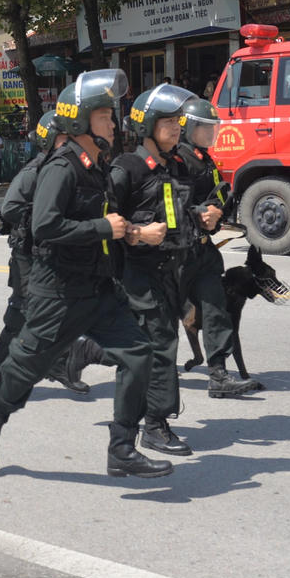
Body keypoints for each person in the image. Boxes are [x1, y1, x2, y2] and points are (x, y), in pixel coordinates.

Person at [0, 69, 171, 478]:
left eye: (112, 117)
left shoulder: (97, 167)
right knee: (26, 367)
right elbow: (45, 225)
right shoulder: (61, 168)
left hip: (97, 289)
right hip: (58, 292)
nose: (113, 124)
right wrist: (103, 228)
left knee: (139, 354)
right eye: (104, 117)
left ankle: (122, 449)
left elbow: (109, 224)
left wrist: (131, 233)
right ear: (80, 121)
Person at [110, 83, 197, 456]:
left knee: (153, 345)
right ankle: (154, 426)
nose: (176, 127)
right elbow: (104, 220)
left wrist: (203, 217)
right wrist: (135, 233)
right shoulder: (126, 168)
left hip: (171, 271)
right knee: (160, 346)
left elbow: (180, 211)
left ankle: (81, 353)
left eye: (178, 121)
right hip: (137, 274)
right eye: (168, 122)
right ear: (146, 126)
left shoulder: (177, 165)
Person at [0, 110, 90, 394]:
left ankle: (59, 365)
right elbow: (9, 208)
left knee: (63, 312)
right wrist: (43, 213)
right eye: (66, 138)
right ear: (51, 140)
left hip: (55, 254)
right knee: (21, 315)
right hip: (28, 255)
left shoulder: (70, 169)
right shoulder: (35, 171)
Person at [176, 98, 260, 397]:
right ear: (187, 127)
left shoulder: (204, 158)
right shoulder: (178, 160)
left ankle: (218, 375)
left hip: (203, 251)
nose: (211, 133)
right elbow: (173, 205)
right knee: (154, 320)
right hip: (178, 254)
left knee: (216, 309)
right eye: (205, 128)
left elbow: (215, 197)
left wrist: (218, 211)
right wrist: (201, 213)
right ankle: (89, 354)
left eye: (213, 127)